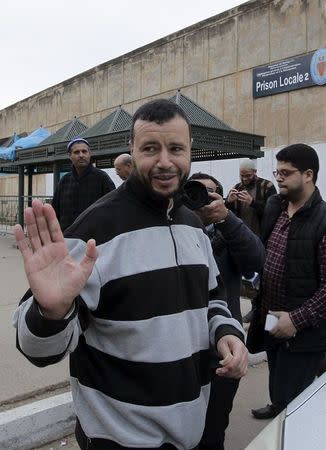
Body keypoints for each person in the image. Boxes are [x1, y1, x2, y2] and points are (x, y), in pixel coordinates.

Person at [13, 99, 248, 450]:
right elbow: (37, 349)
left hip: (192, 431)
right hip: (119, 440)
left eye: (176, 148)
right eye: (151, 148)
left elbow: (213, 298)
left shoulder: (193, 224)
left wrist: (226, 332)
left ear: (190, 152)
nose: (165, 161)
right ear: (132, 151)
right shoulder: (94, 231)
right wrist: (50, 312)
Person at [188, 172, 264, 450]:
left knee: (213, 428)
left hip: (223, 347)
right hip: (182, 348)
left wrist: (227, 219)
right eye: (196, 192)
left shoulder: (229, 230)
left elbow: (256, 260)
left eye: (212, 192)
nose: (204, 199)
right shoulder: (173, 229)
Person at [249, 143, 326, 420]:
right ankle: (277, 404)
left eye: (286, 172)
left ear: (308, 174)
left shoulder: (323, 219)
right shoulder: (276, 207)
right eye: (276, 171)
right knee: (276, 376)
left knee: (296, 396)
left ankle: (287, 417)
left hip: (303, 331)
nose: (278, 177)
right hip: (270, 320)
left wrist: (295, 320)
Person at [226, 159, 276, 323]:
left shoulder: (267, 187)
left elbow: (274, 212)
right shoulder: (238, 187)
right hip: (245, 241)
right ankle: (255, 308)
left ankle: (264, 310)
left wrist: (253, 203)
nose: (244, 179)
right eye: (242, 176)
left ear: (255, 173)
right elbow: (230, 215)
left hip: (263, 240)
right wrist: (229, 202)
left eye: (247, 176)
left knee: (265, 277)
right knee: (250, 279)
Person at [51, 137, 115, 231]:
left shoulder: (102, 178)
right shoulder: (64, 181)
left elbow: (112, 208)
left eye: (84, 151)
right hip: (67, 237)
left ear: (89, 154)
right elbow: (55, 211)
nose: (81, 155)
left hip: (94, 237)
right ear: (70, 156)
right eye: (76, 152)